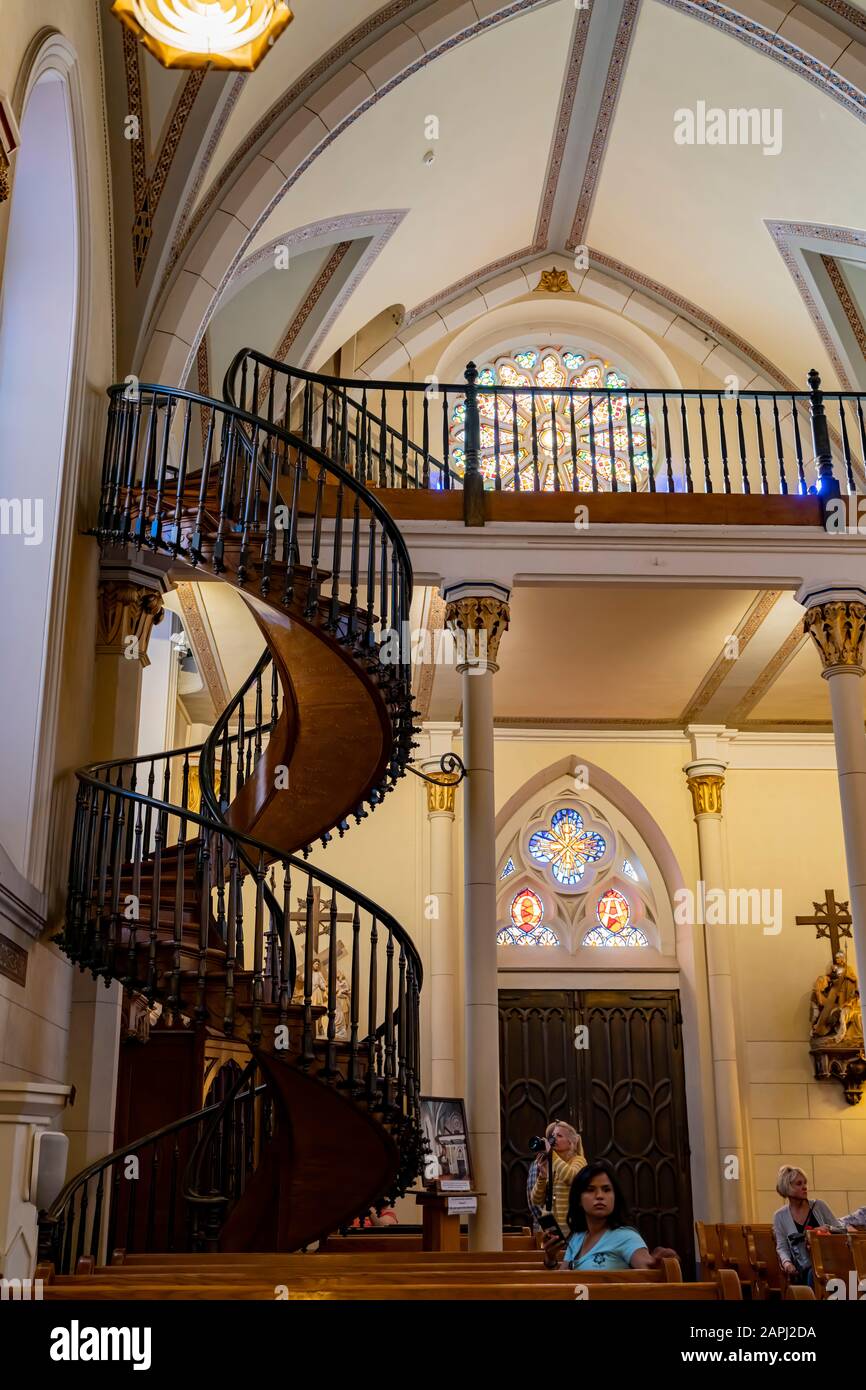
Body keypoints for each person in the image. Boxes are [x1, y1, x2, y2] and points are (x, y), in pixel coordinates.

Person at [541, 1159, 678, 1271]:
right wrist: (551, 1257)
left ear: (615, 1197)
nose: (600, 1196)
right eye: (590, 1190)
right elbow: (562, 1281)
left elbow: (646, 1265)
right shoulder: (578, 1237)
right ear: (579, 1200)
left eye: (606, 1190)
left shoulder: (626, 1236)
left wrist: (657, 1264)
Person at [772, 1166, 838, 1283]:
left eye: (805, 1183)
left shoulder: (819, 1205)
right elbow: (782, 1247)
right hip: (802, 1267)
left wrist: (826, 1229)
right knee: (811, 1275)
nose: (805, 1187)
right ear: (787, 1187)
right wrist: (787, 1263)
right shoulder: (780, 1216)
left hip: (828, 1262)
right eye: (799, 1184)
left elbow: (840, 1231)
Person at [529, 1120, 586, 1234]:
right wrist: (542, 1176)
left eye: (559, 1136)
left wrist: (552, 1154)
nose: (554, 1139)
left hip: (569, 1228)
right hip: (550, 1228)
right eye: (553, 1135)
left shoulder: (578, 1160)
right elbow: (535, 1200)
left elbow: (570, 1177)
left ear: (571, 1143)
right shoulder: (553, 1162)